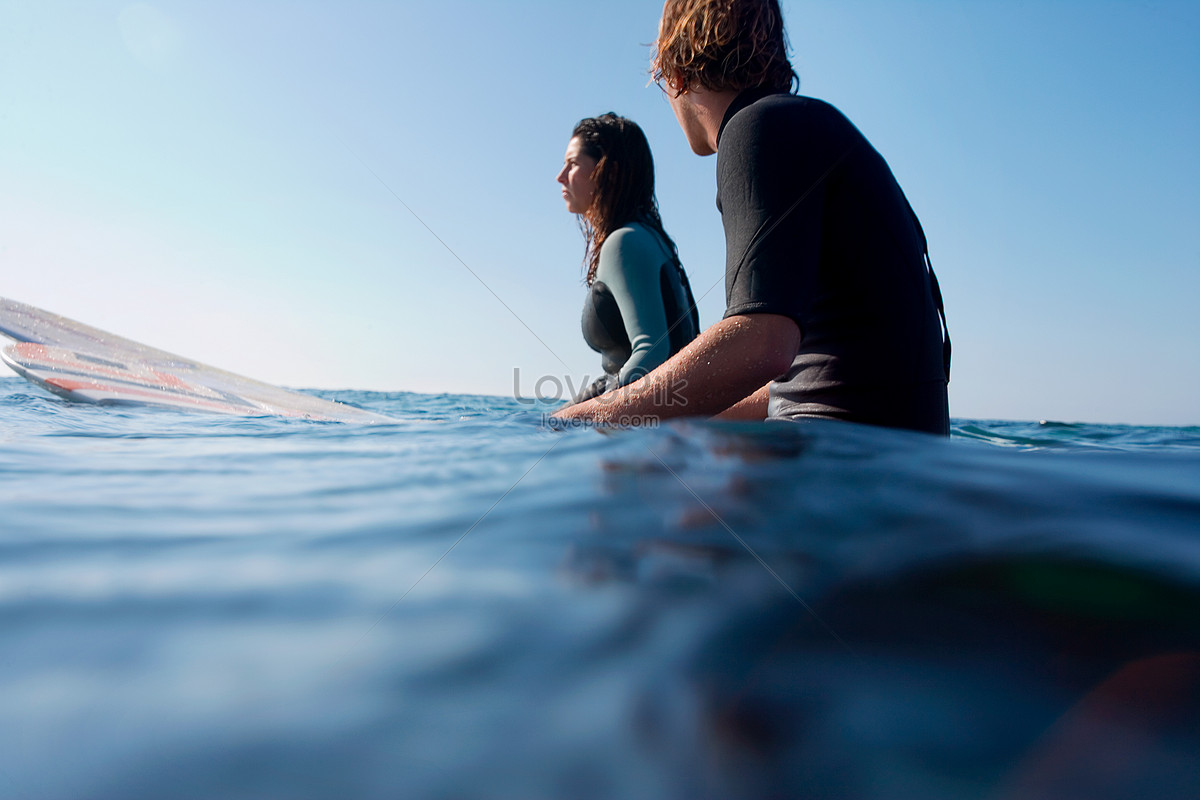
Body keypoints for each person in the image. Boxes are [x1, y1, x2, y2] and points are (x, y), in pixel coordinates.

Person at [552, 0, 951, 435]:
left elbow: (762, 343)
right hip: (897, 458)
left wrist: (572, 423)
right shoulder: (808, 126)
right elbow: (794, 378)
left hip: (845, 469)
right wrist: (678, 426)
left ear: (677, 72)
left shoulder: (755, 128)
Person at [556, 113, 700, 404]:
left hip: (643, 425)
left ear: (609, 172)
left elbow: (652, 353)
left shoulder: (626, 242)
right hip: (657, 414)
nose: (560, 176)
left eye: (572, 164)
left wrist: (577, 417)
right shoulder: (651, 238)